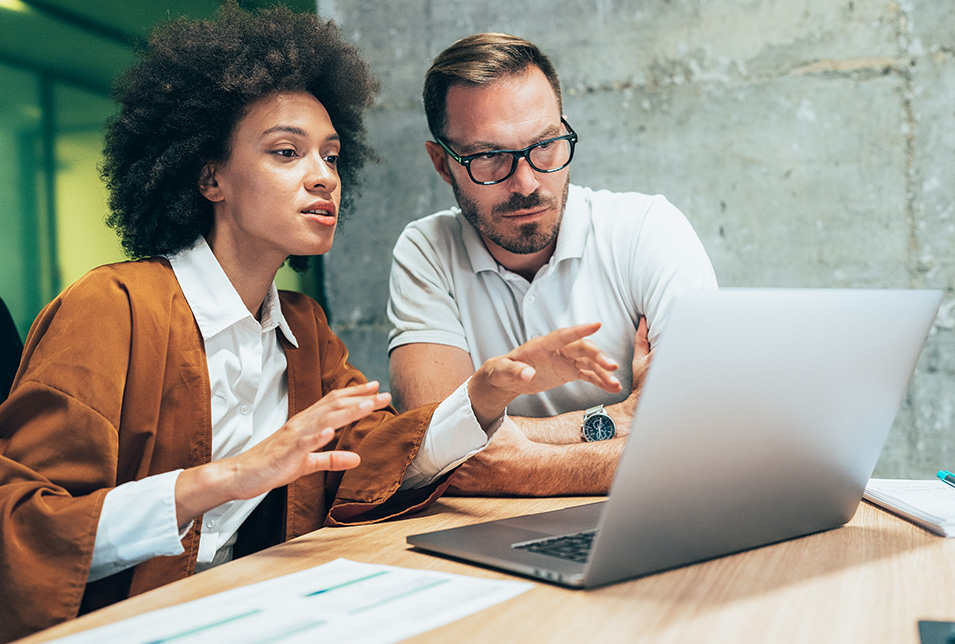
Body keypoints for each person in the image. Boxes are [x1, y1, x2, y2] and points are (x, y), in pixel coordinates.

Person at [0, 8, 620, 641]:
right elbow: (24, 530)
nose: (324, 175)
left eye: (330, 154)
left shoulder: (303, 328)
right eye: (286, 152)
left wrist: (483, 393)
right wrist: (224, 480)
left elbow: (372, 459)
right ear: (209, 174)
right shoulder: (111, 308)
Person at [387, 33, 718, 496]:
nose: (526, 182)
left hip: (644, 514)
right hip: (491, 532)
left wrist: (523, 464)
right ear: (442, 163)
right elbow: (428, 450)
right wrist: (617, 419)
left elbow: (706, 437)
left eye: (545, 145)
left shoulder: (646, 229)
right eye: (488, 156)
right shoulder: (427, 250)